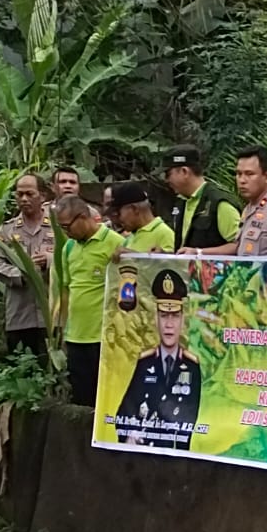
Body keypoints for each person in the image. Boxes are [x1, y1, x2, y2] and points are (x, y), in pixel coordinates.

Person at [114, 268, 201, 450]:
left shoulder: (191, 366)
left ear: (182, 319)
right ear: (156, 318)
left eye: (175, 316)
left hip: (173, 454)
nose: (169, 324)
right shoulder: (144, 363)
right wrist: (130, 434)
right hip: (143, 451)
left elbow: (190, 420)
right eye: (164, 316)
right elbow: (124, 411)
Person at [56, 195, 125, 404]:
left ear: (83, 217)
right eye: (61, 227)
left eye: (67, 226)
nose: (65, 232)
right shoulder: (69, 247)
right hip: (75, 336)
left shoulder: (115, 243)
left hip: (103, 336)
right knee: (81, 397)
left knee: (105, 397)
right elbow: (67, 289)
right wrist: (62, 327)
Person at [0, 174, 55, 360]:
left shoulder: (58, 226)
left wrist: (49, 261)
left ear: (42, 196)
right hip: (20, 314)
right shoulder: (7, 230)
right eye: (19, 194)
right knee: (21, 365)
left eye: (29, 194)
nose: (24, 199)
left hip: (53, 314)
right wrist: (22, 274)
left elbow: (72, 258)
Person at [205, 146, 267, 257]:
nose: (242, 180)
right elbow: (238, 247)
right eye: (239, 174)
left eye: (249, 174)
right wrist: (198, 253)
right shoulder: (250, 208)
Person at [166, 145, 242, 253]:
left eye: (168, 174)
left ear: (184, 172)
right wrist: (164, 254)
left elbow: (239, 245)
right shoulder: (181, 202)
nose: (166, 180)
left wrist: (199, 252)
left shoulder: (219, 203)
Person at [115, 182, 177, 252]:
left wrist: (131, 254)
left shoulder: (164, 234)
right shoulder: (133, 235)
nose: (118, 219)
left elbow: (172, 259)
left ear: (134, 209)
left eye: (119, 213)